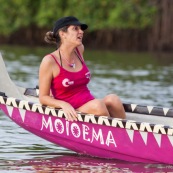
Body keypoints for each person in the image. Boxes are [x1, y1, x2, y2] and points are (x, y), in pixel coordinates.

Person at [39, 16, 126, 121]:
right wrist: (63, 105)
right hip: (72, 110)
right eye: (75, 29)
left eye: (81, 29)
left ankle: (125, 134)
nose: (81, 32)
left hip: (89, 105)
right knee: (98, 105)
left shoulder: (80, 50)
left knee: (113, 99)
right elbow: (43, 97)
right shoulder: (49, 61)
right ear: (63, 34)